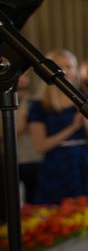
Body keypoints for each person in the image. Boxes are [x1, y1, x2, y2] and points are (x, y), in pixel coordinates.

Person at [27, 50, 88, 204]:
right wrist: (72, 128)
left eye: (70, 66)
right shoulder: (39, 105)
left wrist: (85, 121)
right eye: (60, 66)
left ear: (76, 71)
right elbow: (40, 146)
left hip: (85, 164)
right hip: (55, 166)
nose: (65, 71)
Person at [16, 69, 43, 206]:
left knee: (34, 201)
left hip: (34, 158)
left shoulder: (34, 102)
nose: (21, 79)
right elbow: (18, 128)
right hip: (12, 159)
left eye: (24, 76)